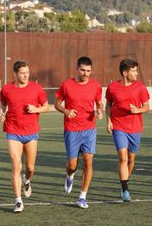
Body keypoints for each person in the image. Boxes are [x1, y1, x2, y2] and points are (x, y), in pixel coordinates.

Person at [0, 61, 49, 212]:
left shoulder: (37, 88)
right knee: (16, 165)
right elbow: (2, 104)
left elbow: (47, 106)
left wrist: (36, 109)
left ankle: (27, 180)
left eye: (27, 72)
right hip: (13, 131)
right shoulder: (7, 89)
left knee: (30, 167)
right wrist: (1, 113)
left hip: (31, 132)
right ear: (15, 74)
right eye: (22, 73)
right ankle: (18, 200)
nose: (26, 75)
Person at [55, 56, 103, 209]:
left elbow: (99, 103)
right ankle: (69, 175)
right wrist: (66, 111)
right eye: (83, 70)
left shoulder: (96, 85)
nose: (85, 73)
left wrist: (100, 112)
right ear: (77, 69)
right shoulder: (66, 85)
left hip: (89, 129)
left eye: (88, 71)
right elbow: (56, 104)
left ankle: (82, 196)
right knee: (72, 165)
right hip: (72, 130)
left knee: (88, 161)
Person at [105, 59, 150, 202]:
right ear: (125, 73)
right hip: (119, 127)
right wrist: (109, 121)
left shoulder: (140, 87)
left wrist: (137, 110)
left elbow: (147, 107)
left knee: (131, 159)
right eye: (134, 71)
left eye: (137, 70)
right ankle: (125, 189)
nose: (137, 73)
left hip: (135, 128)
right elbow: (108, 105)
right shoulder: (112, 87)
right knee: (123, 158)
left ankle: (125, 180)